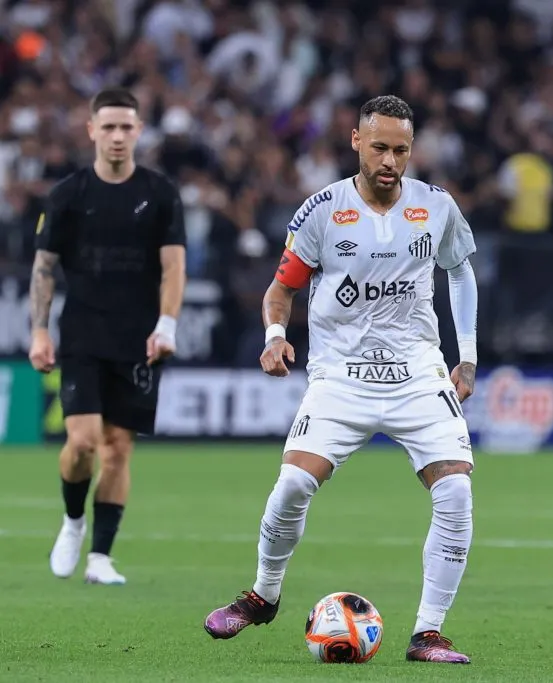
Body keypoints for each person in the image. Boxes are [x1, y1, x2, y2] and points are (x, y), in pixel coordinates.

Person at [203, 95, 479, 665]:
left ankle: (427, 633)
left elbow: (461, 272)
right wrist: (274, 336)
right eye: (379, 147)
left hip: (417, 373)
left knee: (455, 491)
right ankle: (263, 595)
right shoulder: (322, 211)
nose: (390, 161)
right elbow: (281, 290)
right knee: (293, 486)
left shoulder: (437, 207)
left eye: (401, 150)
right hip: (341, 378)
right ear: (356, 140)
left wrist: (467, 356)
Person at [29, 87, 186, 585]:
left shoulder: (160, 194)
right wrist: (38, 331)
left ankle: (100, 557)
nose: (118, 136)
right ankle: (73, 521)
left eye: (126, 127)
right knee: (82, 443)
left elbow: (173, 266)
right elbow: (44, 268)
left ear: (139, 131)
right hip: (82, 334)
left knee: (119, 447)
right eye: (109, 126)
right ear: (92, 130)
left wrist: (167, 325)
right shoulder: (68, 195)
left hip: (139, 339)